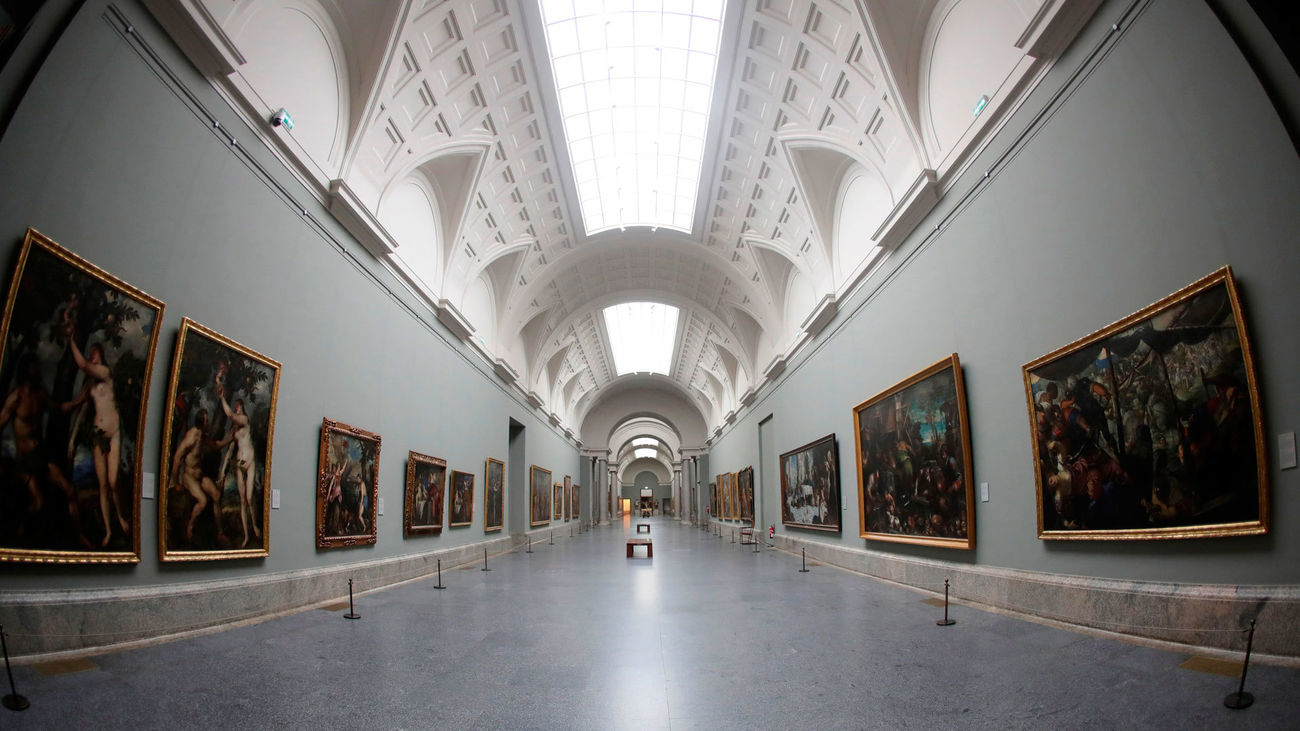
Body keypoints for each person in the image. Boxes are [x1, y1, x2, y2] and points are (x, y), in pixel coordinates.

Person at [0, 354, 91, 547]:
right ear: (26, 370)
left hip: (41, 456)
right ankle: (18, 532)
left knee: (70, 490)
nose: (38, 370)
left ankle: (80, 535)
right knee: (38, 503)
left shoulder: (39, 394)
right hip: (25, 462)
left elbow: (58, 408)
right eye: (35, 366)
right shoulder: (16, 397)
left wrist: (78, 401)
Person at [68, 339, 128, 547]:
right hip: (98, 435)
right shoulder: (90, 386)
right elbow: (82, 413)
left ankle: (120, 516)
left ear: (100, 356)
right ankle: (109, 529)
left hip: (113, 432)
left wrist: (70, 339)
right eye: (90, 353)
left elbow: (84, 366)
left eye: (94, 353)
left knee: (113, 481)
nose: (91, 356)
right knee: (102, 484)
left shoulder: (104, 373)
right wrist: (72, 440)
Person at [169, 408, 226, 545]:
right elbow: (177, 458)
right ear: (204, 422)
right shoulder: (192, 437)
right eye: (208, 421)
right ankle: (190, 526)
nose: (210, 423)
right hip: (189, 477)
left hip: (200, 476)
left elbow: (215, 446)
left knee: (217, 496)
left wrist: (229, 438)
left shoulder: (203, 436)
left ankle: (220, 532)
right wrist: (176, 482)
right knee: (202, 501)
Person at [218, 387, 260, 547]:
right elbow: (228, 452)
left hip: (249, 463)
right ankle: (246, 536)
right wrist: (222, 471)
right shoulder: (234, 431)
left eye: (238, 406)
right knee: (242, 501)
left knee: (249, 499)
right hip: (239, 465)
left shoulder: (244, 420)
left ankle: (255, 526)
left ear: (242, 408)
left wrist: (222, 398)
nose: (236, 408)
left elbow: (230, 415)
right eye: (235, 406)